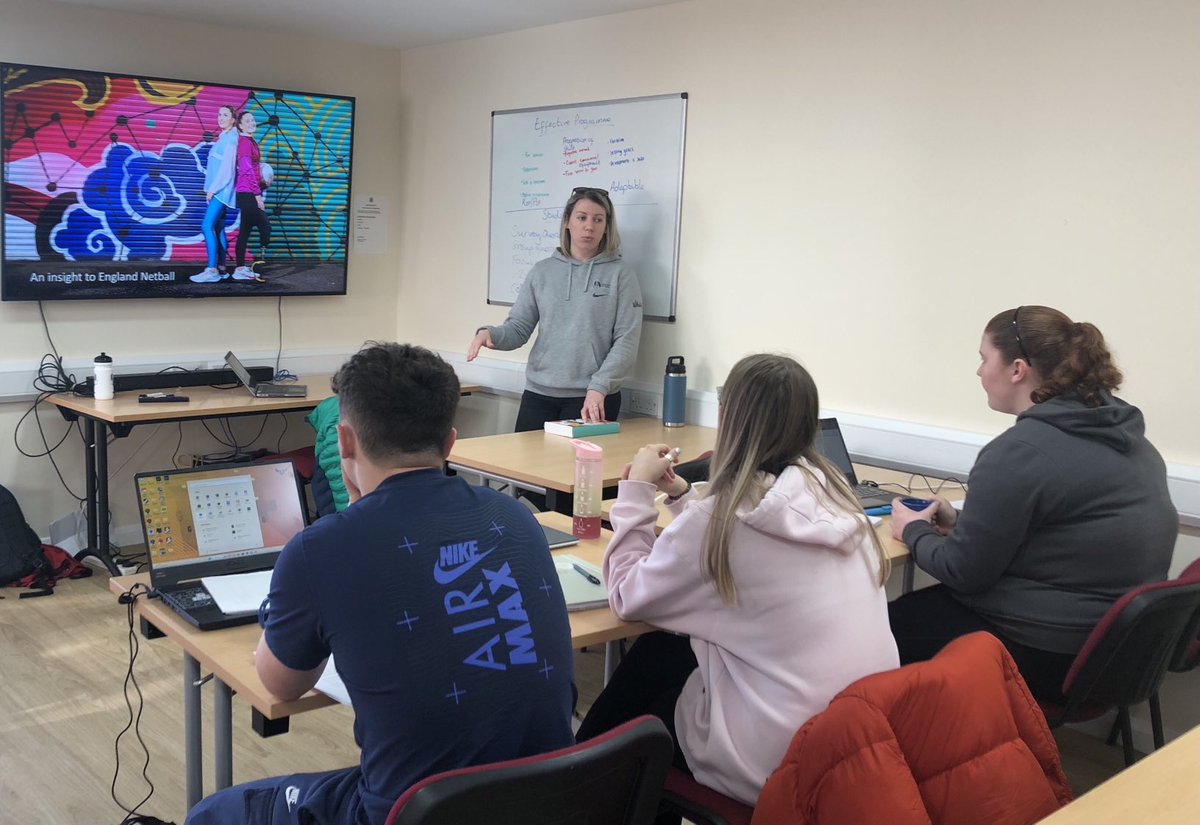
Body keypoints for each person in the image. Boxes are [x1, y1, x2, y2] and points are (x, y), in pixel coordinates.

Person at [184, 343, 576, 825]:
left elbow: (280, 684)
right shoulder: (516, 516)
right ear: (450, 442)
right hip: (551, 800)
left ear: (344, 442)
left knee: (212, 812)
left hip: (413, 813)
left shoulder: (320, 548)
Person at [576, 353, 899, 807]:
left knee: (636, 726)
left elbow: (628, 596)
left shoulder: (721, 525)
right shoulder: (837, 502)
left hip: (778, 760)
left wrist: (636, 494)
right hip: (857, 742)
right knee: (661, 653)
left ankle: (577, 785)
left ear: (726, 418)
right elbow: (732, 546)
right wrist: (684, 496)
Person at [887, 305, 1177, 702]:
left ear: (1017, 369)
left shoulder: (1020, 452)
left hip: (1043, 651)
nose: (979, 372)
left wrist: (912, 530)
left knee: (880, 630)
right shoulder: (1132, 441)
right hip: (1115, 651)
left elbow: (962, 572)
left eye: (984, 359)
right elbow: (1061, 534)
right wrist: (961, 523)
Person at [466, 187, 642, 429]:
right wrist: (489, 334)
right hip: (538, 396)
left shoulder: (622, 275)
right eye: (581, 217)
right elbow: (518, 328)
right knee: (522, 465)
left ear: (606, 227)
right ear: (567, 222)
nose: (589, 226)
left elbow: (626, 341)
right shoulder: (542, 271)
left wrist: (599, 387)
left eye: (598, 219)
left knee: (577, 468)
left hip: (592, 398)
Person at [190, 104, 239, 283]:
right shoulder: (224, 137)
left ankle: (211, 270)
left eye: (225, 115)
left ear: (233, 119)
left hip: (221, 191)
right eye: (219, 114)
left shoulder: (231, 138)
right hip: (220, 190)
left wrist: (212, 189)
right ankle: (221, 268)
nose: (221, 117)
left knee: (206, 226)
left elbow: (227, 170)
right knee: (218, 229)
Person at [230, 110, 272, 281]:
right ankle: (261, 258)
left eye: (253, 120)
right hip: (247, 192)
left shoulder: (249, 141)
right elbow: (246, 169)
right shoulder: (245, 143)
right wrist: (257, 195)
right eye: (247, 121)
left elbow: (253, 168)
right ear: (240, 125)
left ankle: (239, 269)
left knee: (245, 231)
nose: (252, 123)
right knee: (265, 225)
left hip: (247, 191)